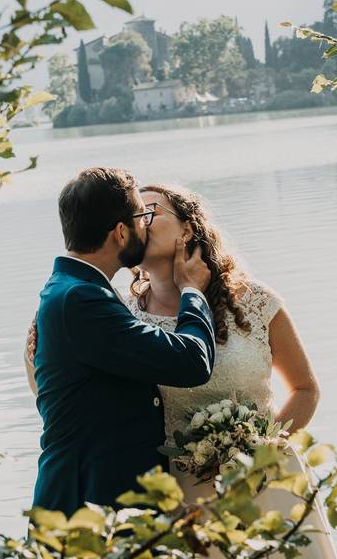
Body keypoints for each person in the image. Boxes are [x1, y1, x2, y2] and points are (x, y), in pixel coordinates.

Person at [27, 180, 336, 557]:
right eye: (137, 213)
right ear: (121, 232)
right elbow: (73, 394)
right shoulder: (116, 312)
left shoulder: (256, 302)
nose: (141, 219)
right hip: (178, 498)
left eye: (150, 211)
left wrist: (260, 453)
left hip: (262, 483)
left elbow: (305, 389)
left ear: (188, 229)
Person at [30, 168, 216, 517]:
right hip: (84, 507)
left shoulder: (75, 290)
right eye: (141, 217)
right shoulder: (80, 300)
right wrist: (191, 290)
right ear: (119, 232)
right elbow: (192, 362)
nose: (146, 225)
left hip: (100, 503)